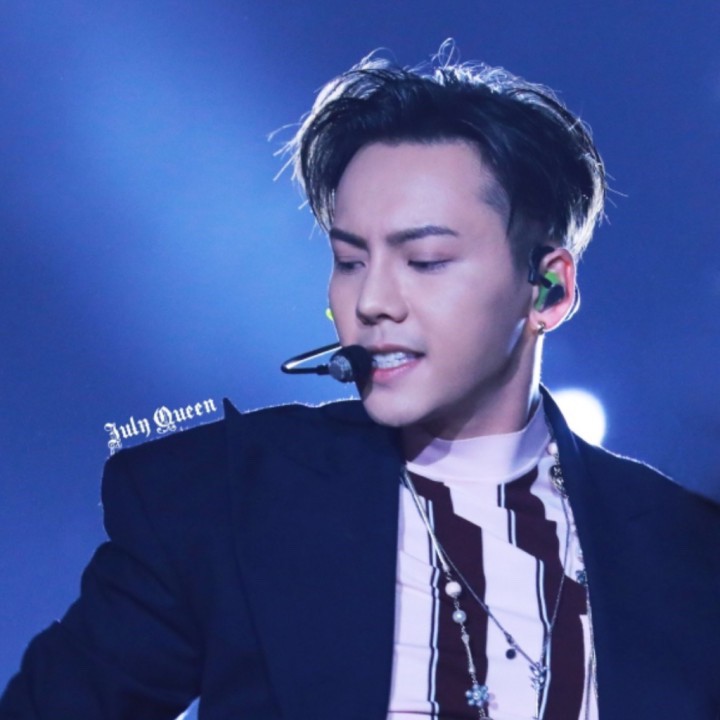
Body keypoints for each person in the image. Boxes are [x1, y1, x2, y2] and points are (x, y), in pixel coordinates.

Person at [2, 45, 719, 720]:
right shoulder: (224, 500)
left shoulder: (686, 552)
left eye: (425, 260)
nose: (372, 300)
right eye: (350, 260)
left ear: (548, 290)